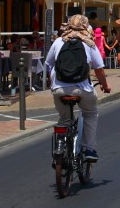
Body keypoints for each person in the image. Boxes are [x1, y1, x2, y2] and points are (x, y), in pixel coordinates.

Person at [45, 14, 111, 162]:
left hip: (59, 89)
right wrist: (105, 86)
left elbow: (48, 64)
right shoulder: (89, 43)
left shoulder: (58, 42)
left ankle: (61, 144)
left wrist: (52, 83)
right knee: (90, 114)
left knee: (64, 119)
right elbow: (99, 69)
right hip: (82, 89)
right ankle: (89, 149)